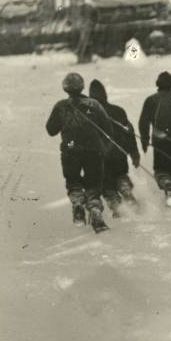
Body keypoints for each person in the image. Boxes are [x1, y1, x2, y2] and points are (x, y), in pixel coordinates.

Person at [46, 72, 112, 233]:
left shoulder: (60, 106)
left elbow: (51, 130)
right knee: (94, 184)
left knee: (73, 181)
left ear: (65, 88)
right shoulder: (94, 104)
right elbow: (107, 128)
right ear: (82, 86)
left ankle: (77, 204)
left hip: (70, 149)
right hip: (93, 151)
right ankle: (95, 211)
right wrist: (105, 147)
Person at [138, 71, 171, 206]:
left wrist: (144, 139)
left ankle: (167, 183)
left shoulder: (151, 100)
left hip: (160, 142)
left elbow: (143, 122)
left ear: (158, 84)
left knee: (162, 169)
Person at [89, 79, 140, 217]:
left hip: (100, 157)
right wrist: (134, 152)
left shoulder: (88, 115)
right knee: (120, 175)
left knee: (106, 184)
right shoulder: (118, 110)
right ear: (104, 94)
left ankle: (117, 206)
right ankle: (126, 190)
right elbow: (129, 133)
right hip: (119, 155)